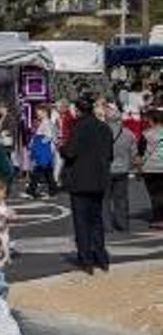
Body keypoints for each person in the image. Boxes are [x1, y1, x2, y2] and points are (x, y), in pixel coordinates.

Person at [62, 96, 114, 274]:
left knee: (82, 222)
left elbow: (70, 152)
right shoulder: (104, 128)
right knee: (96, 220)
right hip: (99, 179)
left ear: (78, 110)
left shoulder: (78, 128)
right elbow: (109, 155)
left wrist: (62, 148)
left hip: (80, 180)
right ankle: (101, 257)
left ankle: (86, 259)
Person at [107, 105, 135, 234]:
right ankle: (123, 224)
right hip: (123, 169)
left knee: (105, 199)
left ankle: (107, 225)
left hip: (106, 169)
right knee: (122, 198)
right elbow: (134, 151)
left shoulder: (103, 132)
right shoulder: (128, 133)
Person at [27, 106, 58, 199]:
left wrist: (38, 143)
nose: (37, 114)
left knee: (38, 170)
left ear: (45, 112)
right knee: (47, 172)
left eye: (39, 112)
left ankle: (32, 190)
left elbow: (49, 137)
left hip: (44, 151)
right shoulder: (45, 123)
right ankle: (52, 190)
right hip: (45, 151)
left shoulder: (47, 123)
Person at [140, 110, 163, 229]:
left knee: (155, 194)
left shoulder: (146, 134)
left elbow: (141, 151)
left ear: (152, 120)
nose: (146, 122)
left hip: (151, 167)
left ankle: (158, 219)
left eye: (148, 120)